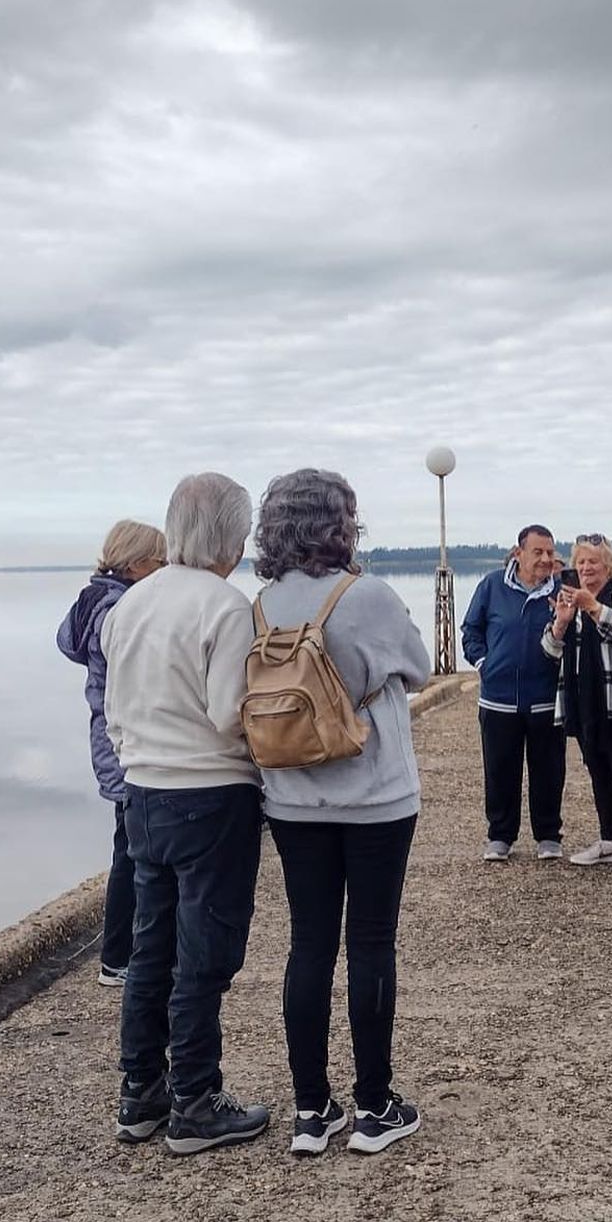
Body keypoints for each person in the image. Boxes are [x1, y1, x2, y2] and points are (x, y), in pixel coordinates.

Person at [253, 468, 431, 1158]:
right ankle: (374, 1105)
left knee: (309, 944)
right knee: (371, 944)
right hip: (376, 797)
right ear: (342, 524)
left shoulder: (261, 605)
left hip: (293, 798)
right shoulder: (369, 596)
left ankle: (309, 1109)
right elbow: (417, 667)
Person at [101, 472, 270, 1156]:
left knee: (151, 947)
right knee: (206, 953)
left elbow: (115, 711)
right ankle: (196, 1098)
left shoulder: (129, 605)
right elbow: (231, 713)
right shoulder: (226, 608)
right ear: (232, 536)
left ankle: (141, 1091)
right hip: (211, 793)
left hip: (144, 792)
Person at [56, 520, 166, 985]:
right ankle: (117, 958)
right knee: (133, 855)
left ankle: (118, 955)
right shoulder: (119, 611)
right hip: (125, 743)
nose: (164, 571)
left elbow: (66, 644)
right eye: (160, 563)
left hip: (105, 738)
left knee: (128, 849)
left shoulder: (90, 601)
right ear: (137, 563)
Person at [542, 535, 612, 875]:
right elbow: (548, 651)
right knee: (597, 771)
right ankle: (608, 841)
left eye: (593, 562)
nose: (586, 568)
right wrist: (561, 621)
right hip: (581, 699)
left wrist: (592, 606)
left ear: (608, 564)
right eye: (581, 562)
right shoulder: (570, 599)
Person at [460, 525, 565, 863]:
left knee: (548, 770)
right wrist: (484, 663)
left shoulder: (562, 590)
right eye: (538, 552)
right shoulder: (492, 585)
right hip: (498, 698)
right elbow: (471, 630)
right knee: (500, 768)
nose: (545, 559)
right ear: (519, 553)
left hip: (545, 697)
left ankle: (548, 835)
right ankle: (500, 836)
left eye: (550, 552)